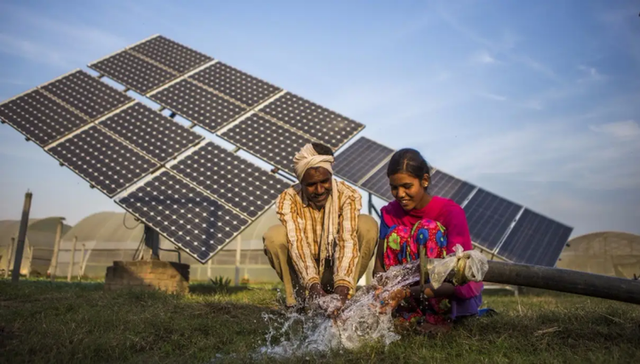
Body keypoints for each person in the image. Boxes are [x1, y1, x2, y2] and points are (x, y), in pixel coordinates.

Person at [372, 148, 484, 331]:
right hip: (405, 297)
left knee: (427, 230)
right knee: (397, 235)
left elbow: (458, 278)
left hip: (448, 295)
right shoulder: (389, 214)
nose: (400, 194)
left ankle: (442, 317)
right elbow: (380, 267)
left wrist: (406, 292)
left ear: (424, 180)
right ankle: (407, 313)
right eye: (394, 187)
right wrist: (381, 290)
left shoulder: (451, 213)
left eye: (407, 186)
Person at [263, 142, 378, 309]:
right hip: (303, 271)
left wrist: (341, 289)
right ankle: (298, 303)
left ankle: (345, 299)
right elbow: (298, 245)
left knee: (367, 225)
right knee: (274, 236)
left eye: (325, 181)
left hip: (336, 267)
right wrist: (314, 287)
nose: (319, 190)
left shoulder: (348, 195)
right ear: (301, 182)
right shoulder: (288, 199)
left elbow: (347, 241)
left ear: (331, 175)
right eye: (311, 184)